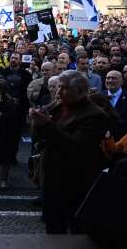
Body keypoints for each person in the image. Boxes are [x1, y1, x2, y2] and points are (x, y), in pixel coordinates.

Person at [29, 70, 106, 234]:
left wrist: (46, 124)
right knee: (53, 226)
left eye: (64, 88)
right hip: (51, 178)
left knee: (77, 230)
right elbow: (39, 136)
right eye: (58, 87)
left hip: (75, 181)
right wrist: (37, 122)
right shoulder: (58, 106)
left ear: (80, 91)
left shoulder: (94, 115)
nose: (58, 92)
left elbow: (76, 147)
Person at [105, 70, 127, 140]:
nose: (110, 81)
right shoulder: (98, 96)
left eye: (114, 78)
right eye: (108, 78)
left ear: (122, 82)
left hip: (122, 139)